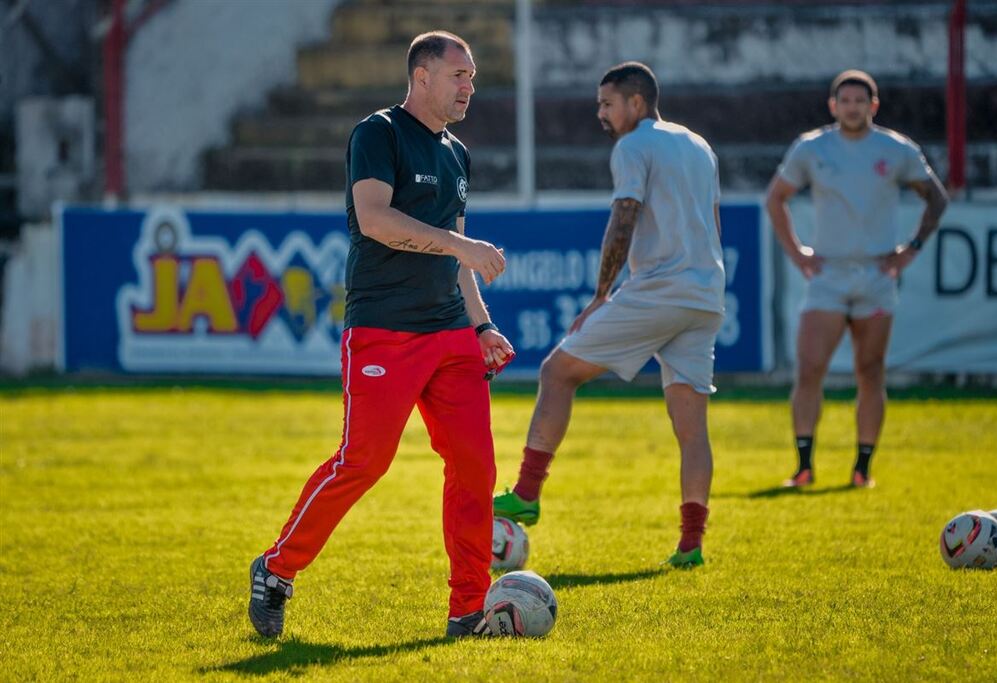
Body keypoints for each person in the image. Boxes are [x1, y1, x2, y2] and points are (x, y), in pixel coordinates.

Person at [247, 30, 514, 639]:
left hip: (450, 333)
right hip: (383, 330)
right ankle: (277, 569)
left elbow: (459, 260)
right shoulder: (379, 133)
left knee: (475, 467)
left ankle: (467, 609)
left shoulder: (457, 152)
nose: (469, 86)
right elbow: (374, 220)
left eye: (471, 77)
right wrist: (459, 244)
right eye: (459, 76)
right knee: (364, 461)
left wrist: (481, 325)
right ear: (422, 76)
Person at [493, 62, 725, 569]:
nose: (600, 113)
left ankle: (527, 494)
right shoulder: (698, 144)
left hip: (658, 291)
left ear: (635, 104)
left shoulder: (634, 146)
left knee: (557, 371)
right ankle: (691, 546)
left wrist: (602, 293)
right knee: (691, 427)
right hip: (705, 295)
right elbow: (712, 221)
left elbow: (624, 216)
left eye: (606, 103)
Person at [765, 69, 948, 489]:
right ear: (833, 106)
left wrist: (912, 248)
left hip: (877, 275)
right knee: (810, 369)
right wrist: (796, 253)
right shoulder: (812, 148)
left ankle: (863, 468)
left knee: (870, 370)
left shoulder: (895, 149)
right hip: (827, 274)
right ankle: (804, 465)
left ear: (874, 105)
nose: (852, 107)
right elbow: (776, 198)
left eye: (860, 100)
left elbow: (936, 197)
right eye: (844, 100)